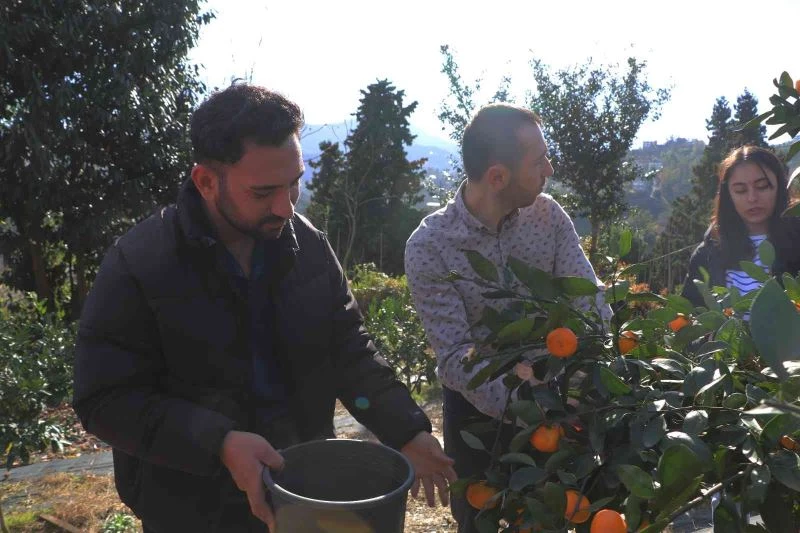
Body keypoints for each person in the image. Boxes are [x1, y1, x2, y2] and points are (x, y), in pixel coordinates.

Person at [72, 83, 456, 533]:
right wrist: (220, 442)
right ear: (206, 181)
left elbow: (347, 349)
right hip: (190, 507)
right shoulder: (139, 264)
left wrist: (405, 428)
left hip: (304, 492)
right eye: (263, 193)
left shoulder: (307, 246)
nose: (285, 207)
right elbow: (105, 398)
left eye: (295, 184)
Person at [404, 103, 611, 532]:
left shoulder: (549, 217)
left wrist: (577, 384)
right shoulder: (431, 246)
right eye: (539, 162)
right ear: (498, 176)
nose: (549, 169)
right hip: (480, 414)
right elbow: (457, 355)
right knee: (480, 520)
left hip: (561, 395)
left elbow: (589, 304)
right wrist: (531, 406)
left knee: (556, 516)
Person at [681, 145, 800, 308]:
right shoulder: (708, 253)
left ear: (780, 185)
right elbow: (692, 316)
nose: (752, 198)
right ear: (728, 195)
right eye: (740, 190)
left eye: (762, 186)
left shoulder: (796, 239)